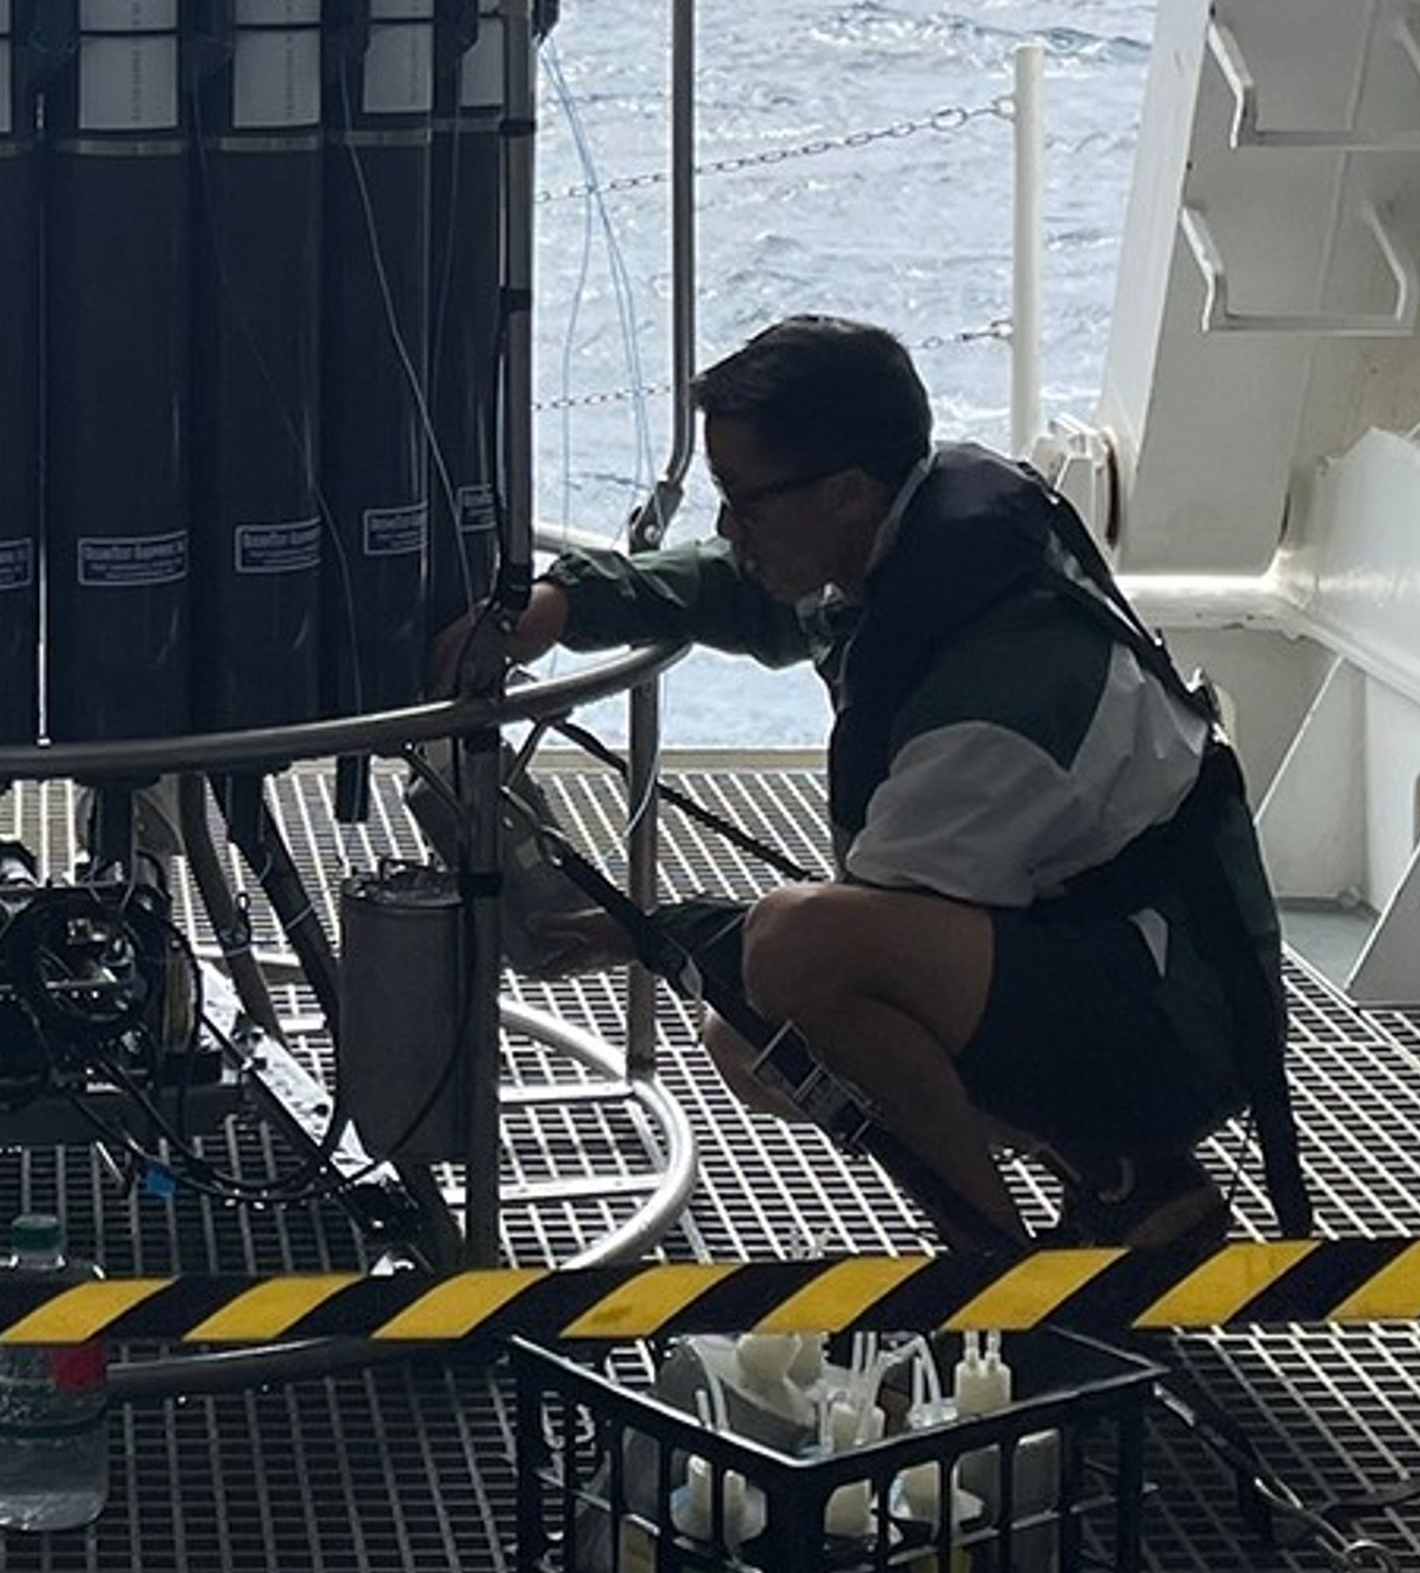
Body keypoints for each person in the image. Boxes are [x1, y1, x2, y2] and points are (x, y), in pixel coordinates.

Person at [450, 316, 1303, 1251]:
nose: (730, 528)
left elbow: (835, 942)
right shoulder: (914, 537)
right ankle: (1128, 1182)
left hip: (1180, 1029)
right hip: (1123, 955)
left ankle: (1005, 1282)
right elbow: (745, 588)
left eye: (744, 501)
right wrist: (568, 604)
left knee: (789, 974)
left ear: (848, 496)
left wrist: (636, 928)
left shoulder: (996, 704)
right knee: (754, 1032)